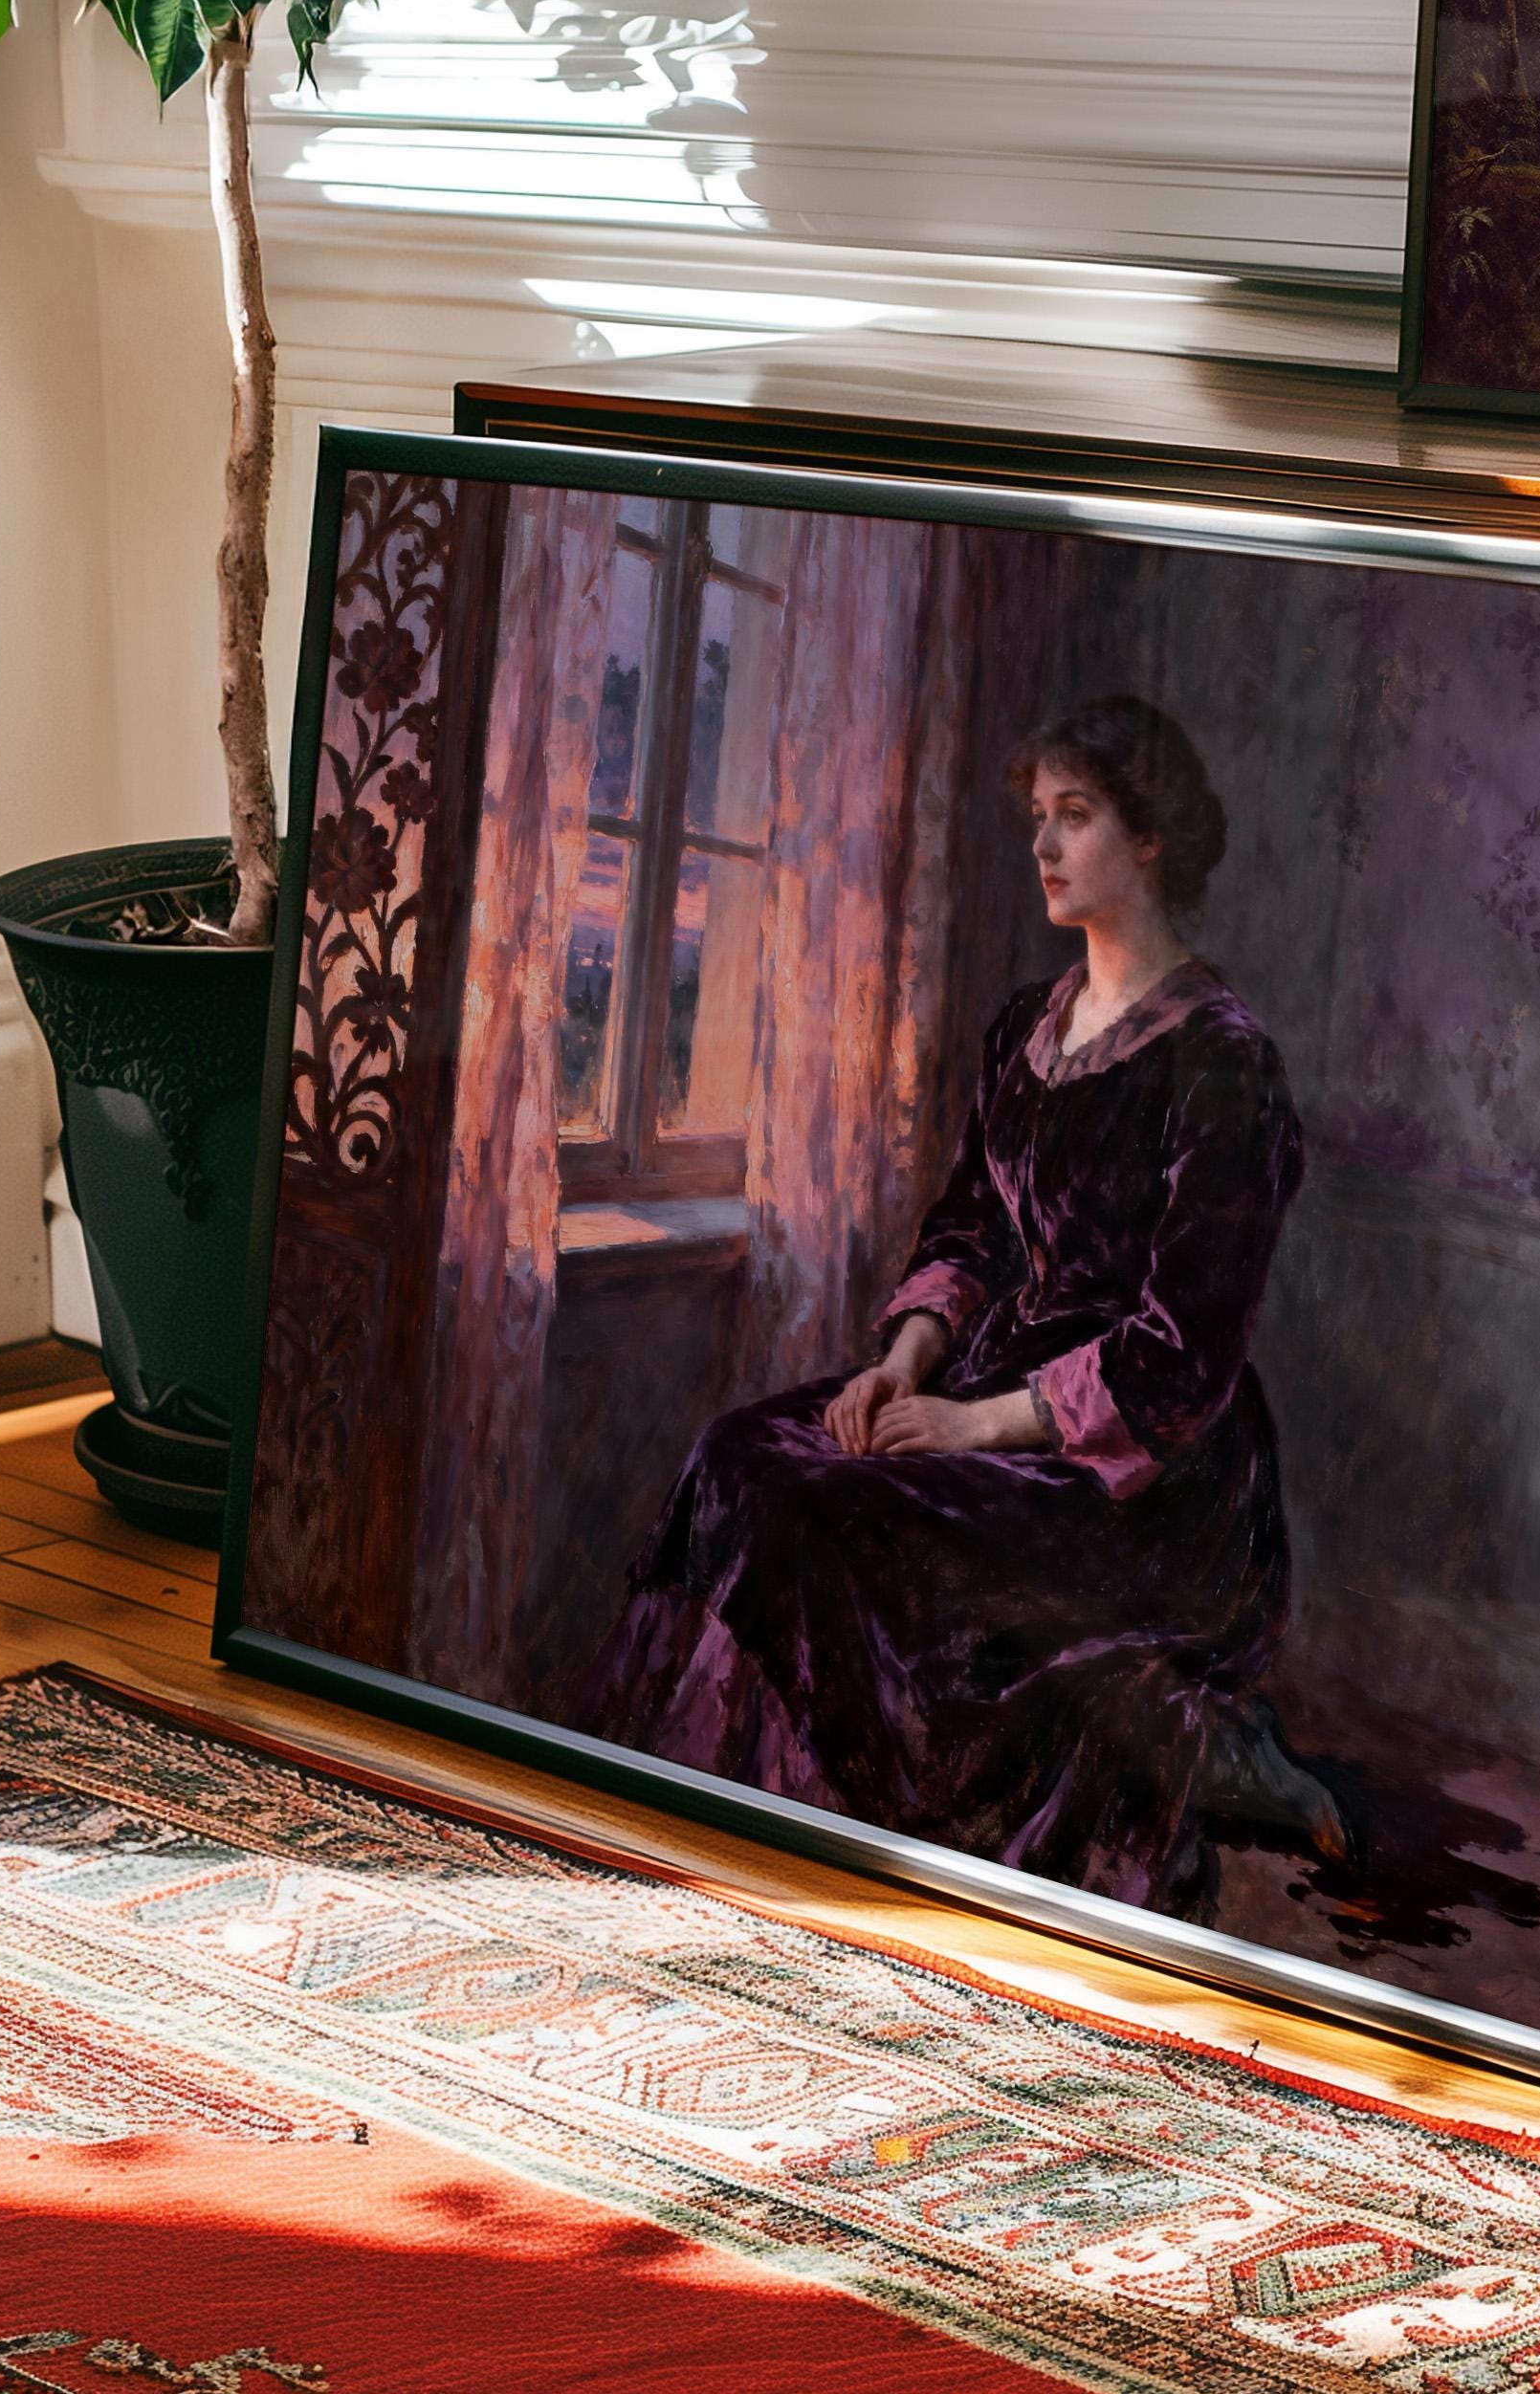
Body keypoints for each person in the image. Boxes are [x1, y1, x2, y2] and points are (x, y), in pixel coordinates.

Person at [576, 693, 1346, 1919]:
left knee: (842, 1507)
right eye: (1036, 818)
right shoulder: (1021, 1031)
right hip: (987, 1376)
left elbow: (1184, 1353)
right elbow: (970, 1230)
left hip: (1145, 1463)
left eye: (1075, 818)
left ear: (1150, 839)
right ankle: (714, 1818)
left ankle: (864, 1851)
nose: (1041, 847)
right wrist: (903, 1366)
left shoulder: (1223, 1062)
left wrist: (970, 1426)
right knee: (742, 1454)